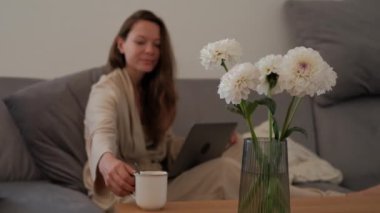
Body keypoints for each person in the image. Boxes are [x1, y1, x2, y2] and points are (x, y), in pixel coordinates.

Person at [82, 10, 242, 211]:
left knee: (240, 146)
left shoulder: (154, 93)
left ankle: (281, 197)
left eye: (157, 45)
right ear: (121, 44)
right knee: (223, 171)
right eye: (140, 42)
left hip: (160, 182)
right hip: (130, 192)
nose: (150, 50)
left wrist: (216, 142)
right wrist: (107, 163)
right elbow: (100, 132)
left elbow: (164, 148)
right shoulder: (105, 90)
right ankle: (284, 200)